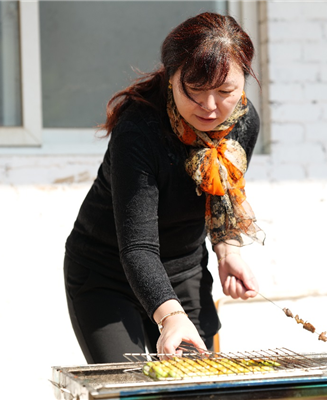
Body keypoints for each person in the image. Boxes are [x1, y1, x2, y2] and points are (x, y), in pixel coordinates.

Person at [63, 12, 265, 364]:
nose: (210, 107)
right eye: (195, 90)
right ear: (171, 77)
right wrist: (170, 317)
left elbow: (220, 195)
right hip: (107, 273)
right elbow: (138, 246)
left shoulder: (243, 123)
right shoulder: (139, 130)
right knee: (126, 382)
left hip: (183, 270)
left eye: (225, 91)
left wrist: (227, 253)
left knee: (195, 383)